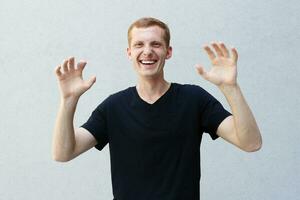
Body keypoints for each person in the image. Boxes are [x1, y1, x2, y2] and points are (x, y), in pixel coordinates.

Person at [52, 17, 262, 200]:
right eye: (139, 45)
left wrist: (231, 88)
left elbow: (250, 143)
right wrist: (68, 100)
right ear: (129, 52)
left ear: (168, 52)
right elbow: (63, 153)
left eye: (156, 44)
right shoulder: (113, 107)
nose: (147, 51)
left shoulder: (194, 99)